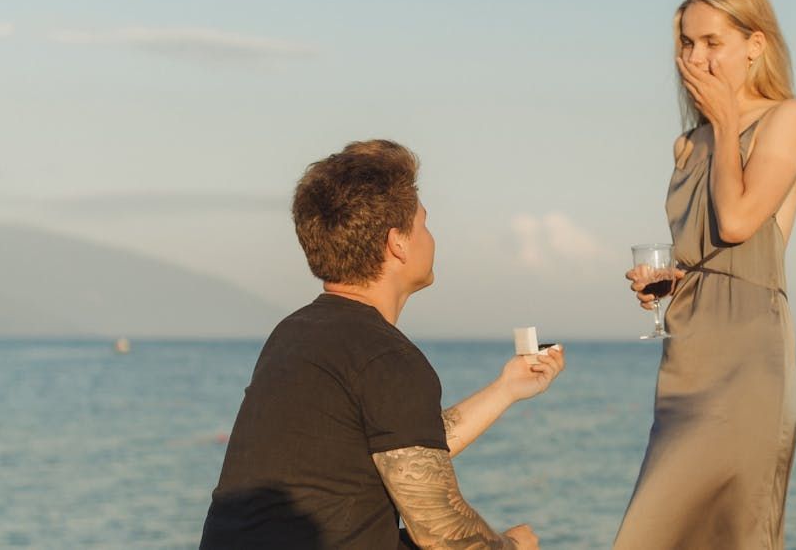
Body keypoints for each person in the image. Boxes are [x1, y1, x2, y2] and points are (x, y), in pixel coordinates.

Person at [200, 140, 563, 549]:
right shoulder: (387, 357)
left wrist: (507, 389)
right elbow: (443, 536)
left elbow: (396, 449)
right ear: (398, 243)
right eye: (424, 224)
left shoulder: (295, 334)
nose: (431, 237)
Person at [614, 0, 796, 549]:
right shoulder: (687, 143)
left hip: (749, 357)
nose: (695, 58)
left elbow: (739, 223)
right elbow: (706, 253)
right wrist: (671, 280)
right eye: (686, 43)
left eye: (711, 42)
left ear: (755, 44)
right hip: (688, 353)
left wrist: (727, 121)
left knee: (734, 529)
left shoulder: (786, 118)